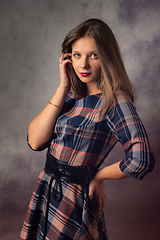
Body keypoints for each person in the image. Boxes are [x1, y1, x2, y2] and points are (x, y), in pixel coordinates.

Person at [19, 18, 155, 240]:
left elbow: (142, 159)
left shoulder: (115, 100)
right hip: (46, 187)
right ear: (68, 58)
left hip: (74, 199)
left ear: (107, 57)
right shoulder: (71, 94)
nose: (83, 64)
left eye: (94, 55)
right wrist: (62, 87)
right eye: (77, 55)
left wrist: (99, 176)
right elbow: (34, 141)